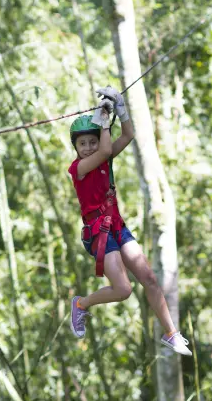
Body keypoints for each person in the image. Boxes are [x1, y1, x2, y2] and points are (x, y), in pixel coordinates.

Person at [67, 86, 191, 356]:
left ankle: (171, 333)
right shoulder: (78, 168)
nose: (88, 148)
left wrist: (119, 109)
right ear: (75, 147)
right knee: (123, 289)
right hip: (98, 233)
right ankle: (81, 304)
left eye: (91, 141)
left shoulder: (103, 156)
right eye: (82, 144)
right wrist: (102, 122)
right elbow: (104, 150)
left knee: (149, 278)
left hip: (117, 226)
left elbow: (129, 135)